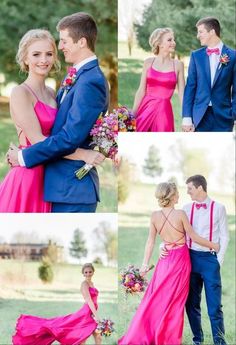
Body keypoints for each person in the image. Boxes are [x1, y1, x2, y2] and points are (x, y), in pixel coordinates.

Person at [8, 12, 109, 213]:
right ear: (25, 58)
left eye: (51, 51)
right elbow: (40, 138)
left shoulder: (82, 83)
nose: (45, 59)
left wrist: (23, 156)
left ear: (81, 42)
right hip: (34, 177)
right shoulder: (25, 92)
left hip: (64, 183)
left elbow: (69, 137)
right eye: (36, 54)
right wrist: (84, 154)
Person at [118, 182, 219, 345]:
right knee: (175, 302)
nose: (180, 195)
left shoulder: (154, 216)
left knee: (157, 298)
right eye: (178, 193)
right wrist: (214, 245)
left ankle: (151, 333)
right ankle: (167, 338)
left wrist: (145, 264)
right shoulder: (180, 214)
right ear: (172, 196)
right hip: (180, 261)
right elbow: (193, 237)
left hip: (164, 261)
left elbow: (150, 241)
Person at [183, 175, 229, 345]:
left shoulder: (219, 208)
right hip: (191, 258)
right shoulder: (186, 208)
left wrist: (219, 260)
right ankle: (197, 340)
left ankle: (219, 342)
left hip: (210, 260)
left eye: (190, 189)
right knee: (192, 304)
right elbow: (179, 232)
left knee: (215, 307)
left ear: (200, 188)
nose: (187, 192)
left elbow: (225, 236)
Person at [12, 263, 102, 345]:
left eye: (90, 272)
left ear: (93, 272)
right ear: (83, 273)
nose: (88, 274)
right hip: (86, 313)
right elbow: (89, 300)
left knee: (96, 337)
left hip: (92, 313)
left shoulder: (92, 284)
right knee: (82, 339)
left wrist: (95, 314)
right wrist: (96, 315)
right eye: (86, 272)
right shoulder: (84, 284)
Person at [182, 17, 236, 132]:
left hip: (224, 116)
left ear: (212, 32)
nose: (198, 36)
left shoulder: (233, 56)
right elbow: (190, 87)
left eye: (201, 32)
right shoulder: (196, 56)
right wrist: (187, 117)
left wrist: (234, 114)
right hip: (200, 116)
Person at [133, 28, 185, 132]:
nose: (173, 43)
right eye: (169, 40)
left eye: (173, 40)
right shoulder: (148, 62)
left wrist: (186, 117)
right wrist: (132, 115)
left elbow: (182, 94)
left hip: (164, 112)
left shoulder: (178, 65)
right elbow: (141, 91)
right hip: (145, 109)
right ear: (159, 43)